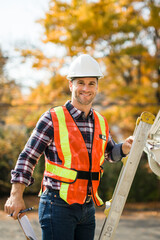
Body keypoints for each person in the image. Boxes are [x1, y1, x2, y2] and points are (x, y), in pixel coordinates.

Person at [4, 54, 133, 240]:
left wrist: (124, 148)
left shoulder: (101, 122)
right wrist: (16, 195)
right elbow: (28, 157)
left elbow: (109, 154)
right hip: (57, 206)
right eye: (80, 82)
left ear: (97, 87)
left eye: (91, 83)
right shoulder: (52, 118)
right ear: (71, 85)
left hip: (87, 208)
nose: (86, 88)